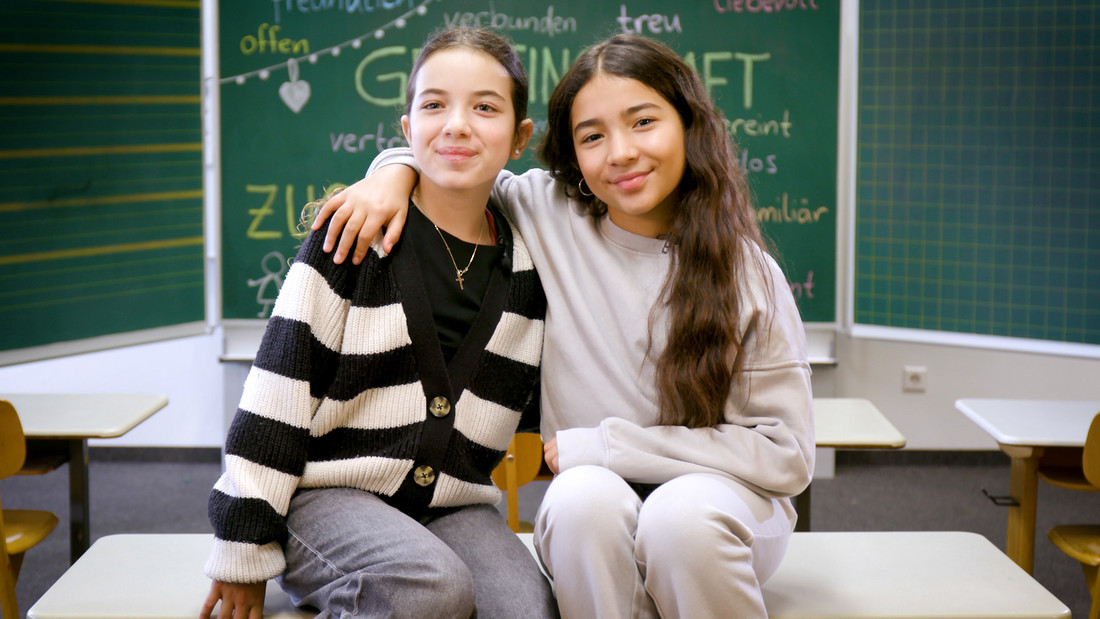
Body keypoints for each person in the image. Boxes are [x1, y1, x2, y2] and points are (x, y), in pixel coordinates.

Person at [313, 34, 814, 618]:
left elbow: (786, 456)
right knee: (578, 502)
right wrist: (389, 175)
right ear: (571, 156)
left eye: (643, 122)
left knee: (678, 521)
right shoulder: (549, 214)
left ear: (688, 125)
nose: (620, 153)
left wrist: (608, 445)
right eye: (592, 136)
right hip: (600, 494)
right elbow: (453, 164)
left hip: (723, 509)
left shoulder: (748, 273)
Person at [201, 26, 558, 619]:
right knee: (429, 586)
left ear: (520, 136)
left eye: (485, 108)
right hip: (327, 499)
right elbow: (275, 399)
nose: (457, 124)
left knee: (526, 609)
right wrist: (243, 548)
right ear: (407, 128)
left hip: (452, 506)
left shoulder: (529, 266)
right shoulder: (353, 237)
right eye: (434, 105)